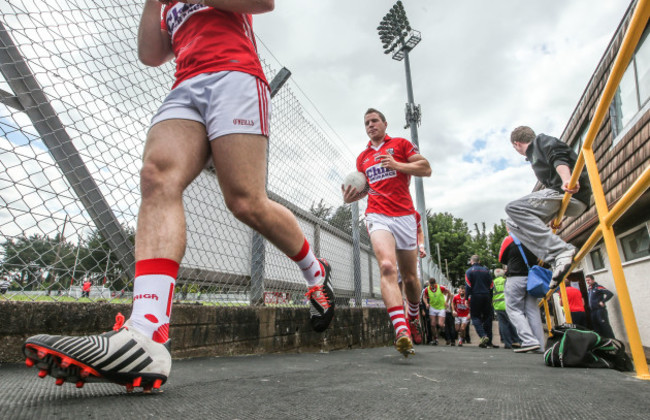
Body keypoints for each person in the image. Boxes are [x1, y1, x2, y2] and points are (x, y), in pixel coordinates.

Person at [22, 0, 335, 392]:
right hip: (186, 83)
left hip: (235, 75)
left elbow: (264, 3)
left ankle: (315, 272)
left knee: (245, 201)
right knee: (156, 177)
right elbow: (151, 54)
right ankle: (146, 331)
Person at [342, 108, 431, 357]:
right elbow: (363, 190)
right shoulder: (363, 158)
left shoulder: (401, 144)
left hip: (404, 216)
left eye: (374, 121)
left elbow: (426, 168)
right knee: (388, 267)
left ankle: (412, 315)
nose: (370, 125)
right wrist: (351, 197)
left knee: (411, 278)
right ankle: (401, 330)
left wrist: (397, 164)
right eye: (366, 122)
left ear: (384, 123)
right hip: (378, 215)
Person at [506, 126, 591, 287]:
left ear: (516, 144)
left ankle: (561, 251)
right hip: (562, 200)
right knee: (512, 223)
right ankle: (556, 260)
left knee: (512, 208)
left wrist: (567, 179)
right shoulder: (533, 157)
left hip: (572, 192)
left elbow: (557, 156)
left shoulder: (541, 141)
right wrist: (553, 213)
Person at [499, 233, 545, 353]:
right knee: (532, 310)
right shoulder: (533, 237)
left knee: (513, 309)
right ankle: (539, 345)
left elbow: (501, 258)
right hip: (532, 278)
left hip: (515, 277)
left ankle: (529, 340)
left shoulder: (509, 239)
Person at [465, 255, 497, 348]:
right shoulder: (486, 271)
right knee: (488, 318)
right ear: (479, 261)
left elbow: (468, 285)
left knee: (475, 316)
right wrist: (490, 297)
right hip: (486, 295)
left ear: (471, 261)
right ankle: (489, 341)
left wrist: (466, 298)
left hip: (475, 295)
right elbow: (491, 285)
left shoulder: (469, 271)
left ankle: (483, 335)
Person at [492, 268, 520, 349]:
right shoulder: (506, 281)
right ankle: (516, 340)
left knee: (503, 324)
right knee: (512, 323)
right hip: (508, 304)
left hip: (497, 305)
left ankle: (507, 343)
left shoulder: (492, 283)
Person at [422, 278, 451, 346]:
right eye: (431, 284)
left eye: (433, 284)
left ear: (435, 283)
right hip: (433, 307)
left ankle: (446, 335)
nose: (432, 286)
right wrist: (426, 303)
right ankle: (435, 338)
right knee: (433, 324)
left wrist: (446, 302)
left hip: (441, 307)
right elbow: (424, 297)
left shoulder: (440, 287)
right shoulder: (427, 289)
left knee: (440, 324)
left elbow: (449, 293)